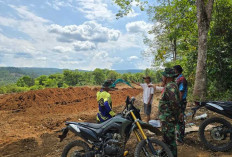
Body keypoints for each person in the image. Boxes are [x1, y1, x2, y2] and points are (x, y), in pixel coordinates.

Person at [159, 68, 181, 157]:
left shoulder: (170, 87)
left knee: (170, 140)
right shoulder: (171, 85)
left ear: (167, 77)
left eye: (163, 75)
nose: (162, 77)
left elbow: (174, 103)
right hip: (167, 118)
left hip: (168, 118)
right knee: (166, 139)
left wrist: (174, 116)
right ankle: (165, 154)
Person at [173, 65, 188, 144]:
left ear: (177, 71)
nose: (173, 72)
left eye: (174, 70)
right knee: (178, 119)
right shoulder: (178, 79)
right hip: (179, 101)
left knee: (180, 119)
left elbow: (181, 92)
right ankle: (178, 137)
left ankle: (180, 139)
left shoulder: (181, 79)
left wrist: (178, 103)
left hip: (181, 102)